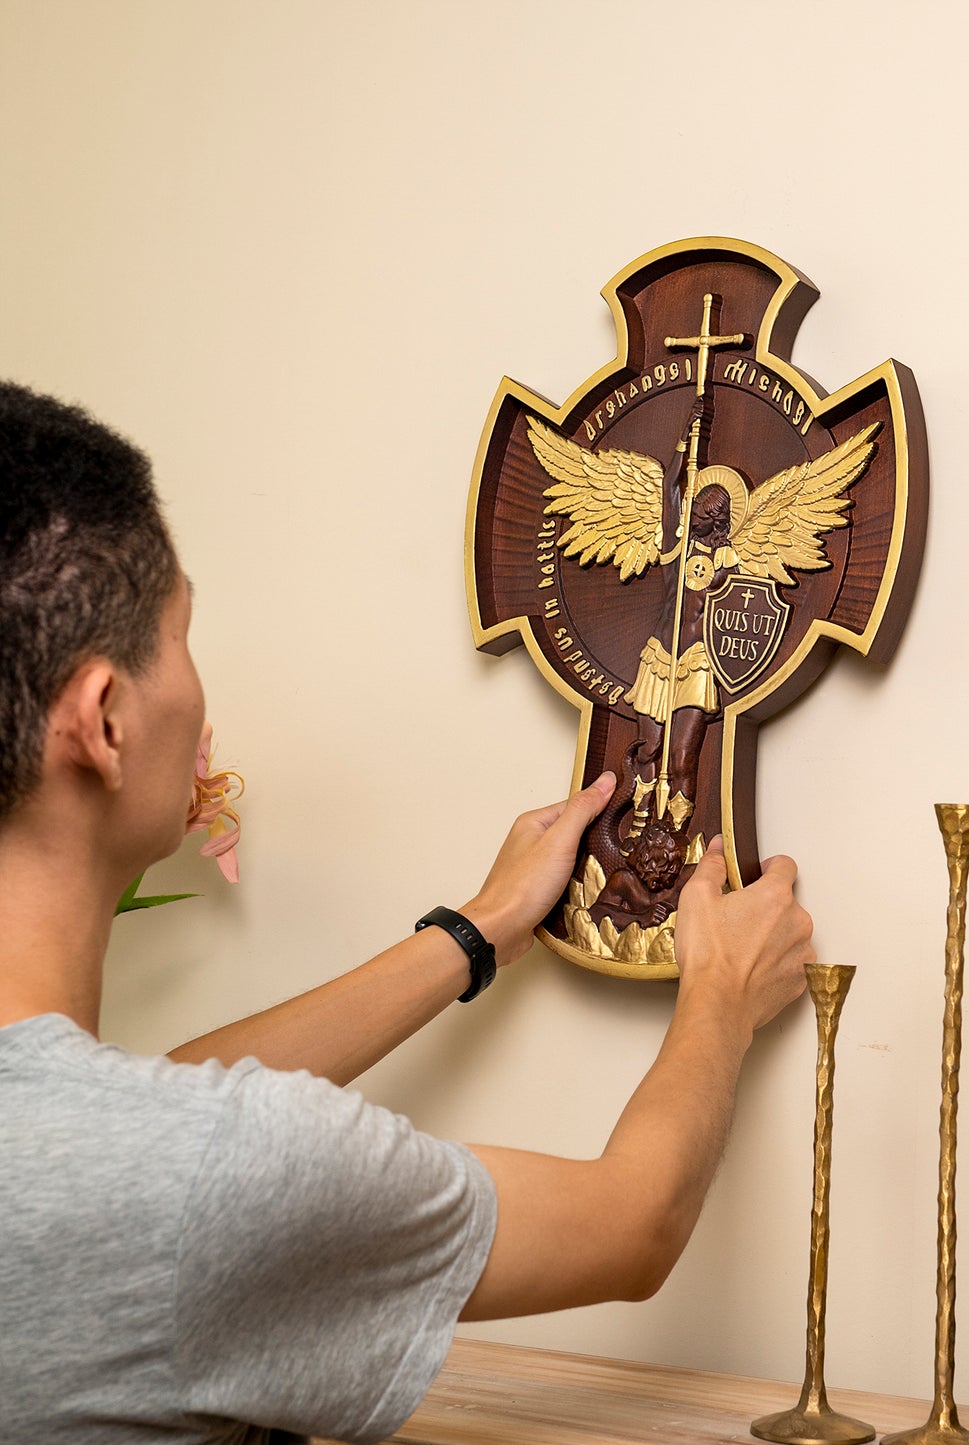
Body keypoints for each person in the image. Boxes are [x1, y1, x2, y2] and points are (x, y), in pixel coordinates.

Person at [0, 380, 814, 1443]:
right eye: (181, 636)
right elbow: (632, 1223)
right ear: (105, 719)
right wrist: (721, 992)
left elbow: (160, 1101)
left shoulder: (123, 1144)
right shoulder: (201, 1178)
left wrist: (471, 932)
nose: (200, 694)